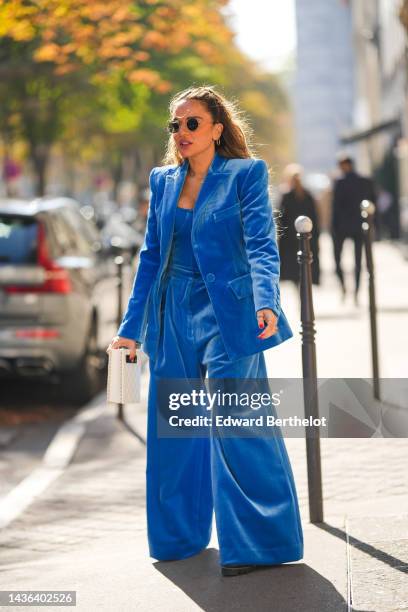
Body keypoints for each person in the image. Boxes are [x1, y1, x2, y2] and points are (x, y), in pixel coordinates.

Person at [107, 86, 303, 577]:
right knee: (174, 429)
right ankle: (179, 538)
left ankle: (260, 544)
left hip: (229, 315)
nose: (181, 133)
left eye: (192, 123)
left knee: (236, 424)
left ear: (217, 128)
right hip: (172, 314)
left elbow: (260, 244)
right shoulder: (163, 181)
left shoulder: (246, 174)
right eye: (175, 125)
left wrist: (267, 301)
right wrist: (130, 329)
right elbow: (150, 257)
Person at [331, 154, 377, 305]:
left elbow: (335, 208)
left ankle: (347, 289)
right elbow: (373, 205)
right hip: (358, 226)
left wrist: (334, 228)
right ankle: (355, 292)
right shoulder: (365, 181)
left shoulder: (340, 182)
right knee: (358, 261)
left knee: (339, 260)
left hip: (343, 227)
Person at [278, 163, 320, 287]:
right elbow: (315, 219)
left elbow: (281, 219)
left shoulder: (288, 196)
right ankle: (302, 294)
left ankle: (301, 295)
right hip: (304, 239)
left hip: (292, 240)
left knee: (296, 270)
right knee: (303, 269)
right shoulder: (307, 195)